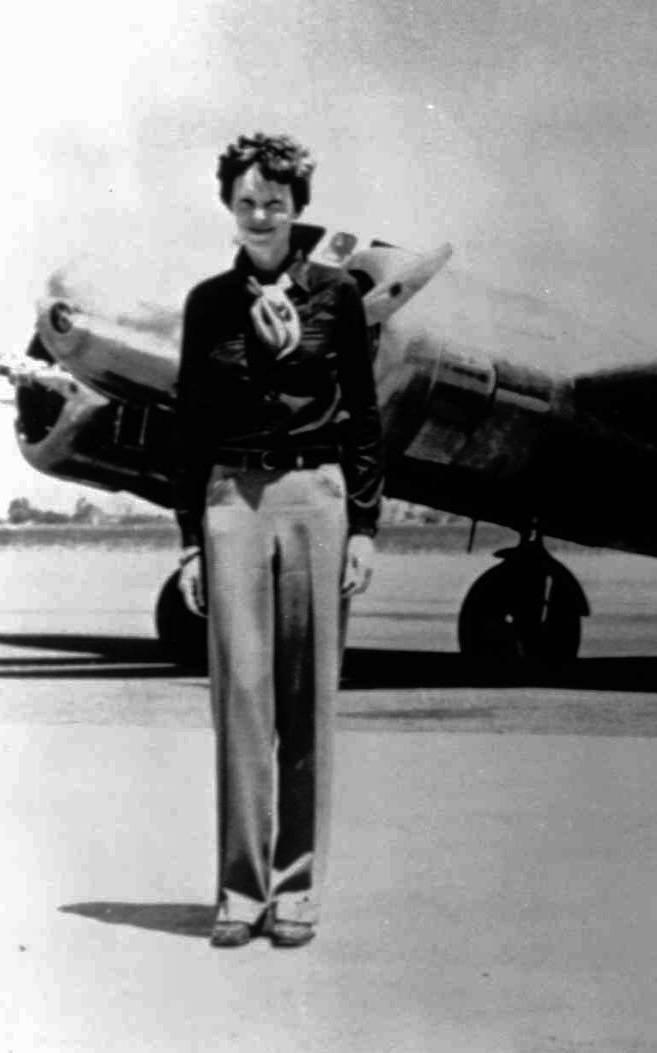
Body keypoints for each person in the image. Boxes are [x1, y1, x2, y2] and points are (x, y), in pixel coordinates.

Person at [172, 133, 384, 948]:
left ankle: (296, 891)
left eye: (275, 203)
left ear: (298, 208)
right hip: (232, 497)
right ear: (229, 206)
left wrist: (363, 526)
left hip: (316, 498)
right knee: (241, 700)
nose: (260, 215)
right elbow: (188, 427)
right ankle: (240, 890)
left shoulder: (337, 297)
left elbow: (364, 419)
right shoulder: (208, 306)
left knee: (307, 703)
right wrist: (191, 536)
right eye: (246, 202)